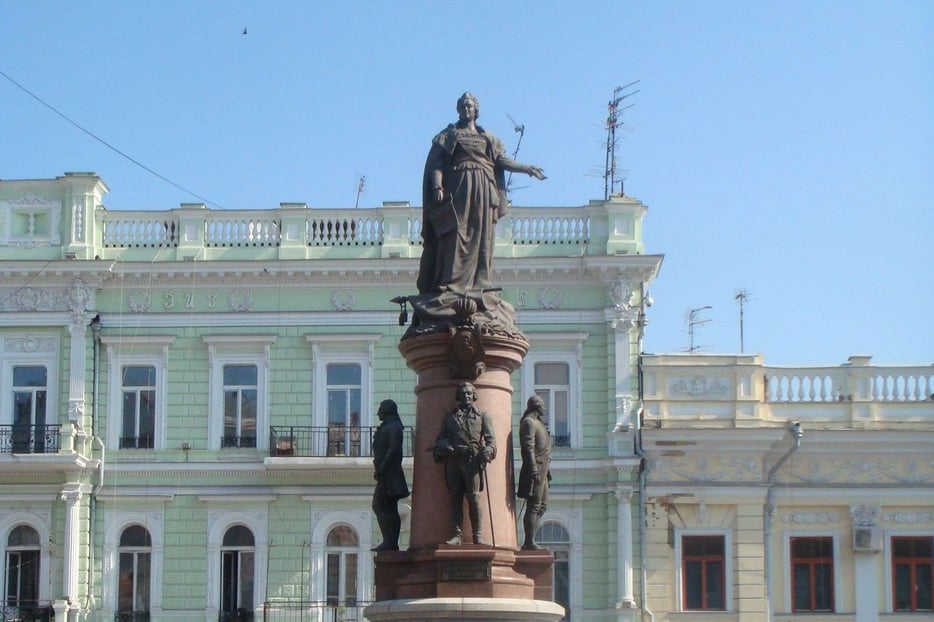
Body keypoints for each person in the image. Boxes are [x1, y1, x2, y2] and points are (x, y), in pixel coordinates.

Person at [418, 92, 546, 295]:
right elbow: (436, 165)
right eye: (462, 106)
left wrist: (527, 168)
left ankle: (481, 281)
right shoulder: (448, 135)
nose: (466, 109)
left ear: (476, 110)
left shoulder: (488, 137)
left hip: (484, 188)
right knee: (456, 232)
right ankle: (450, 283)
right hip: (458, 187)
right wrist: (437, 187)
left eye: (469, 106)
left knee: (482, 233)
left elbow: (501, 161)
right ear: (458, 110)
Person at [433, 382, 496, 545]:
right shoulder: (450, 417)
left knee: (474, 498)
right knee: (455, 498)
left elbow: (491, 442)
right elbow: (440, 438)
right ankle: (457, 535)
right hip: (454, 459)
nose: (466, 396)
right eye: (463, 393)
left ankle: (477, 535)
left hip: (472, 460)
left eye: (469, 393)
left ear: (474, 396)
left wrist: (488, 451)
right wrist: (443, 446)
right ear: (458, 396)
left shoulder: (483, 417)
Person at [371, 399, 410, 551]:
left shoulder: (393, 427)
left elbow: (394, 449)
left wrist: (382, 467)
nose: (378, 412)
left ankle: (391, 542)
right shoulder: (389, 426)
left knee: (381, 505)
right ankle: (390, 542)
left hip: (390, 473)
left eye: (381, 409)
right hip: (385, 472)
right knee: (386, 506)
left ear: (387, 410)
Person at [517, 395, 552, 550]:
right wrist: (532, 469)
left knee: (542, 505)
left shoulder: (539, 424)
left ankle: (530, 539)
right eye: (543, 404)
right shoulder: (529, 423)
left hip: (544, 469)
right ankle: (529, 542)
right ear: (537, 406)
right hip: (535, 468)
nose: (545, 408)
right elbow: (528, 448)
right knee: (534, 505)